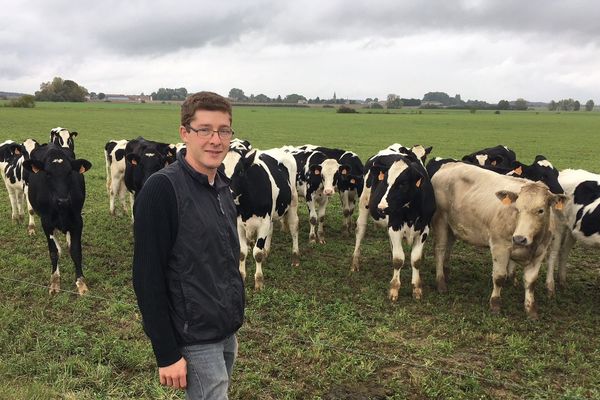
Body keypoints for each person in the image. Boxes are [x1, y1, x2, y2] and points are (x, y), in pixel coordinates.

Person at [133, 91, 245, 399]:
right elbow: (146, 277)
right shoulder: (162, 189)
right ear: (185, 133)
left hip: (225, 329)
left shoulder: (221, 185)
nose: (216, 139)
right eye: (204, 129)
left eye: (224, 130)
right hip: (193, 335)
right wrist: (166, 353)